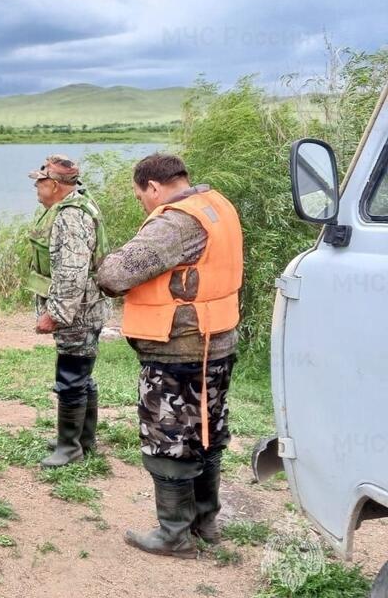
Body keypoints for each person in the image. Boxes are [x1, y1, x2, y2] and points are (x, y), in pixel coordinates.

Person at [96, 153, 243, 559]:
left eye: (142, 195)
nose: (145, 203)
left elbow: (115, 275)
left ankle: (173, 534)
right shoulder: (216, 205)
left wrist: (106, 260)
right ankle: (205, 523)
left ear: (154, 187)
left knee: (169, 438)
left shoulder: (175, 220)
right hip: (217, 340)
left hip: (178, 348)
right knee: (206, 432)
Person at [25, 155, 109, 467]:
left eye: (40, 181)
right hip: (86, 307)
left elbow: (72, 272)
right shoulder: (74, 205)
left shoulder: (70, 217)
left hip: (78, 311)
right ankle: (81, 439)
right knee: (81, 374)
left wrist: (55, 313)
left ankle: (70, 447)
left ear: (56, 185)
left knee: (72, 375)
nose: (36, 186)